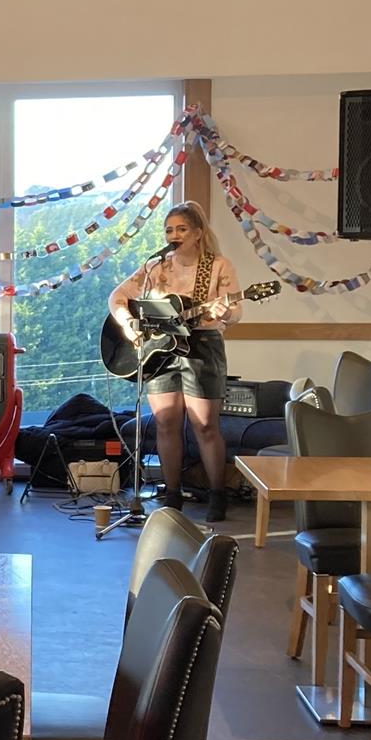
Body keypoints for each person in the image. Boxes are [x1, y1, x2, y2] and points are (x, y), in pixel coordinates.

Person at [108, 201, 244, 521]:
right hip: (160, 350)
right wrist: (128, 323)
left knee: (205, 425)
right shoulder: (157, 267)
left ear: (198, 233)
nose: (174, 234)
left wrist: (227, 311)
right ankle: (172, 494)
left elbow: (236, 312)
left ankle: (217, 494)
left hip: (203, 345)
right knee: (166, 423)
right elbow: (117, 296)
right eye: (169, 229)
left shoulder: (219, 266)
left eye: (181, 229)